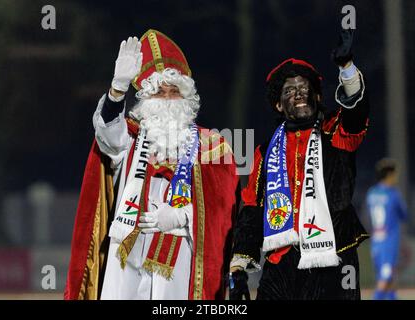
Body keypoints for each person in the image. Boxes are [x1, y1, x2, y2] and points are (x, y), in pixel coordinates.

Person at [64, 29, 240, 300]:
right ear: (145, 99)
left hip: (181, 254)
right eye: (159, 92)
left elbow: (224, 213)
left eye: (174, 92)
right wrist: (116, 91)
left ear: (186, 98)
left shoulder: (212, 145)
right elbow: (107, 134)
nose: (168, 100)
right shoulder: (130, 138)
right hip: (126, 255)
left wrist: (183, 216)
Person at [229, 29, 370, 300]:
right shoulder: (266, 150)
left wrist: (347, 69)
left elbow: (356, 114)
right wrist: (238, 269)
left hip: (334, 257)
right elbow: (252, 207)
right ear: (279, 105)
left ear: (317, 97)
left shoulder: (335, 133)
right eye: (289, 90)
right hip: (281, 261)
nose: (299, 92)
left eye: (305, 87)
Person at [366, 158, 408, 300]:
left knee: (389, 281)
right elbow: (404, 214)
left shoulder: (371, 193)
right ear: (389, 174)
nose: (396, 177)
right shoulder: (393, 194)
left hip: (376, 243)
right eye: (395, 174)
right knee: (385, 280)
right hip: (389, 244)